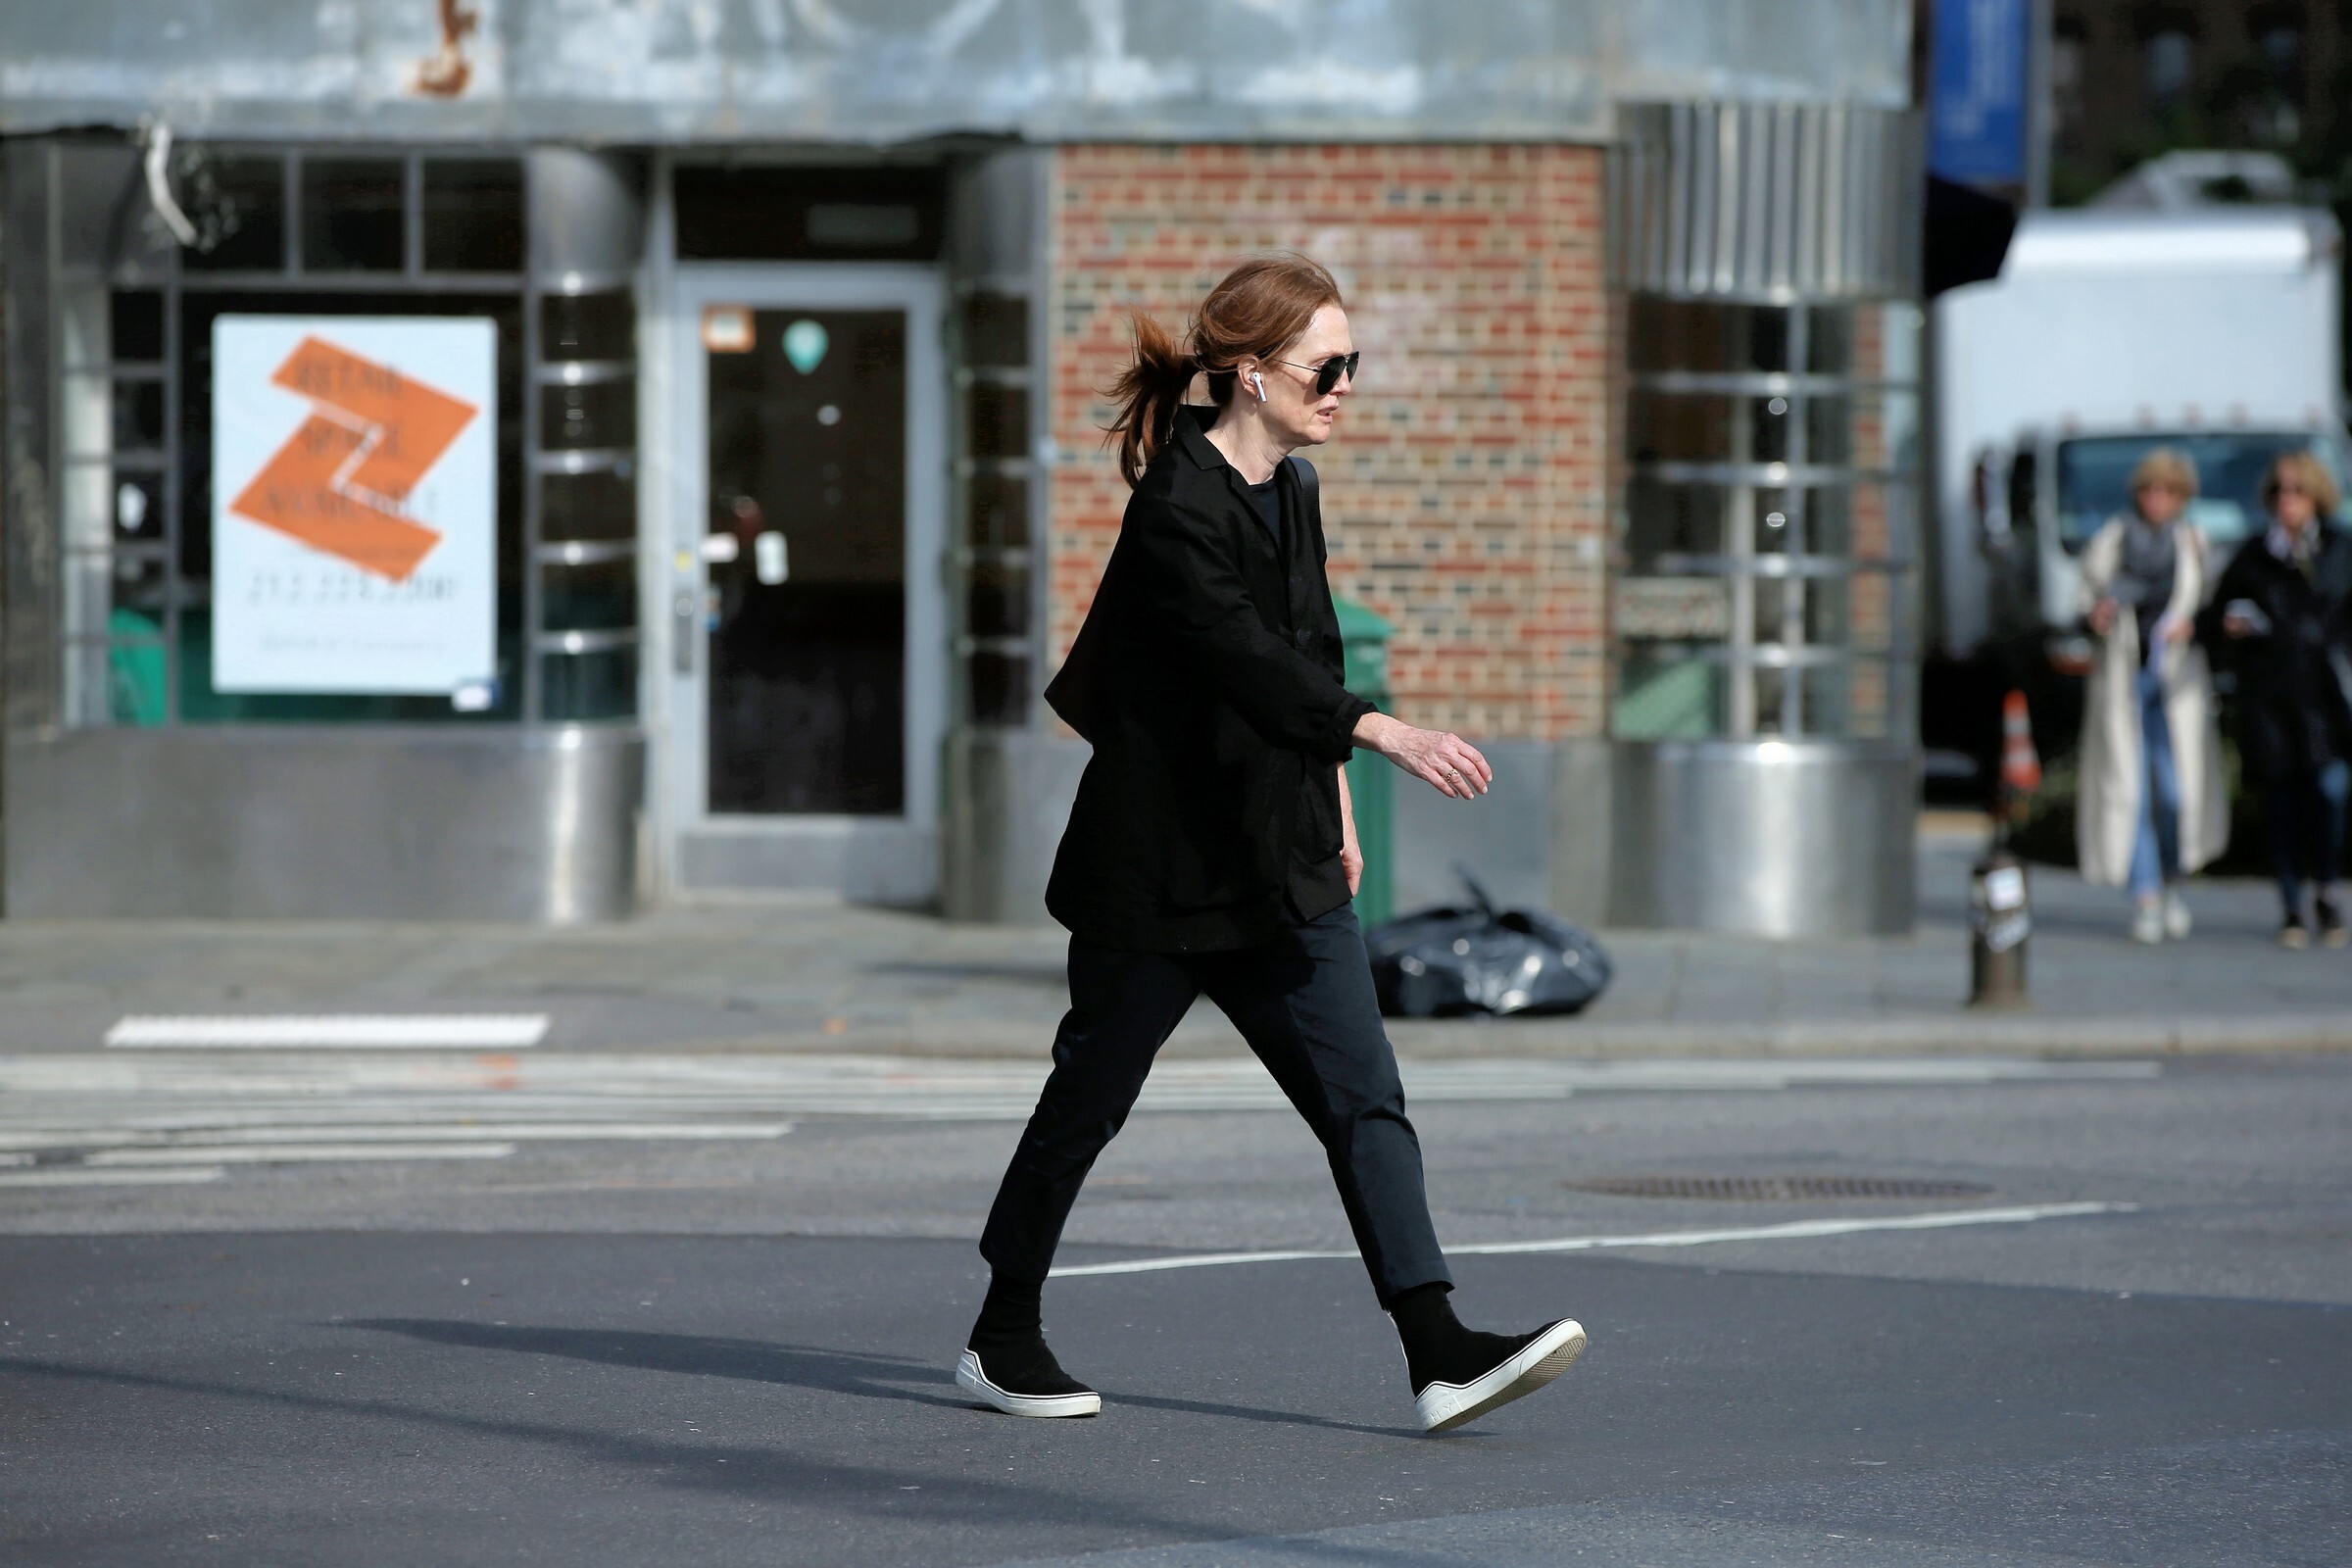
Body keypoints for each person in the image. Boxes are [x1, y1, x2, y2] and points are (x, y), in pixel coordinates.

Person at [955, 254, 1585, 1435]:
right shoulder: (1175, 506)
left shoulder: (1292, 486)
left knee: (1365, 1096)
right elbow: (1243, 655)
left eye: (1352, 364)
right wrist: (1387, 734)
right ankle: (1001, 1332)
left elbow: (1309, 649)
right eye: (1325, 367)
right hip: (1161, 873)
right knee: (1088, 1102)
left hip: (1279, 857)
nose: (1345, 386)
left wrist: (1335, 802)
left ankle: (1438, 1348)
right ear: (1251, 374)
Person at [2077, 447, 2229, 944]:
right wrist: (2096, 615)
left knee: (2176, 791)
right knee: (2131, 790)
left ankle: (2174, 881)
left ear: (2182, 497)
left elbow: (2215, 610)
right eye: (2149, 489)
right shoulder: (2114, 538)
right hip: (2125, 680)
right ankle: (2145, 895)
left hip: (2177, 682)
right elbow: (2082, 599)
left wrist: (2193, 626)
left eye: (2167, 490)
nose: (2156, 499)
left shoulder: (2194, 543)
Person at [2202, 450, 2352, 948]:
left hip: (2327, 700)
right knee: (2282, 803)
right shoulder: (2254, 555)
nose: (2287, 500)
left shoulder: (2340, 549)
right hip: (2270, 699)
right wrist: (2231, 627)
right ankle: (2291, 904)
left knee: (2330, 793)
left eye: (2297, 490)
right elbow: (2214, 617)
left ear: (2317, 496)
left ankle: (2326, 889)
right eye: (2279, 491)